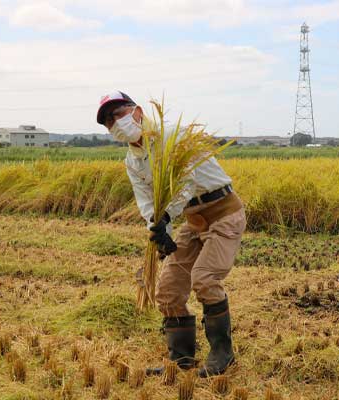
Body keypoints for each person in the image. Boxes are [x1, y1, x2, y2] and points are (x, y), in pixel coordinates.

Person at [96, 91, 247, 378]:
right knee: (167, 291)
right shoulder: (133, 160)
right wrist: (159, 230)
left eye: (117, 115)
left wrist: (167, 216)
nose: (113, 124)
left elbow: (186, 182)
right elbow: (148, 203)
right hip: (192, 218)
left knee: (205, 278)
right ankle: (181, 359)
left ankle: (222, 354)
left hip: (223, 211)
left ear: (137, 112)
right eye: (107, 122)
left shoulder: (174, 137)